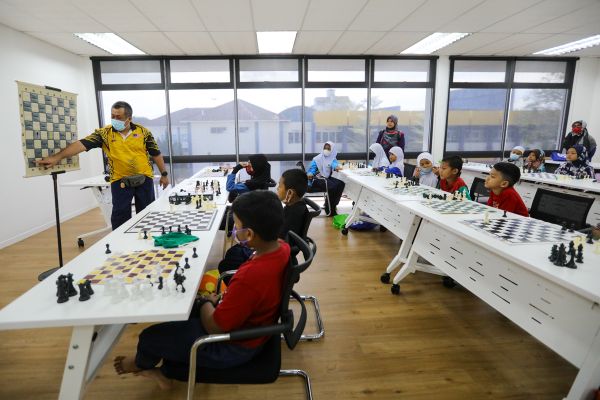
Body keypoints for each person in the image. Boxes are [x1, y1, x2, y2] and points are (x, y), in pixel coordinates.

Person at [113, 190, 290, 387]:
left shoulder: (250, 277)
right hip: (252, 327)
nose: (234, 229)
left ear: (249, 234)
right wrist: (216, 302)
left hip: (232, 346)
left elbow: (215, 327)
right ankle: (165, 367)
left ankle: (141, 365)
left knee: (149, 337)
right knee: (182, 313)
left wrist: (206, 301)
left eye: (237, 226)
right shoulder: (282, 247)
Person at [36, 101, 169, 230]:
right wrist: (57, 157)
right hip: (120, 181)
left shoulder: (143, 132)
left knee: (147, 215)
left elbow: (156, 154)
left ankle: (146, 240)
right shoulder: (104, 134)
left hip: (144, 179)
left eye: (119, 117)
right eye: (112, 116)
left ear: (129, 118)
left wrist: (164, 174)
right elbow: (81, 144)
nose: (115, 119)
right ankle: (119, 242)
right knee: (120, 217)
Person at [307, 142, 345, 216]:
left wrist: (336, 167)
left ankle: (333, 204)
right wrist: (310, 173)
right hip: (316, 179)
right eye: (325, 148)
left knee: (340, 183)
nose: (326, 150)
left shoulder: (332, 158)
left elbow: (334, 164)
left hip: (326, 179)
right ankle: (329, 209)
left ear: (332, 150)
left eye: (328, 149)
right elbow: (312, 169)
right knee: (332, 186)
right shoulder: (317, 158)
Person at [277, 169, 309, 240]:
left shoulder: (294, 213)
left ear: (290, 193)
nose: (277, 188)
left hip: (283, 245)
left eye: (280, 186)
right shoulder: (295, 206)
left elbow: (281, 237)